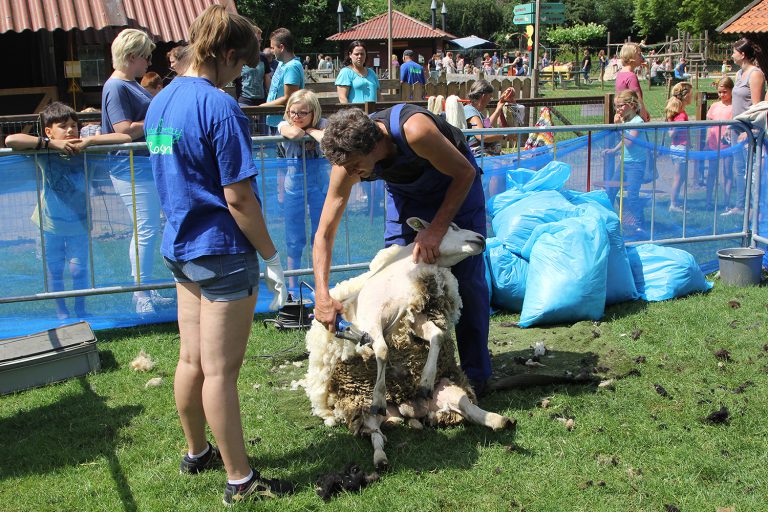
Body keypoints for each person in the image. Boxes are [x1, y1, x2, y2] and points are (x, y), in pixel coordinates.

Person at [144, 5, 292, 505]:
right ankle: (239, 479)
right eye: (241, 66)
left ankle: (196, 452)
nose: (240, 76)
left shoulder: (160, 101)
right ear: (228, 54)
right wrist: (273, 257)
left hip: (180, 247)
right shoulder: (219, 106)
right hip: (223, 251)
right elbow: (239, 197)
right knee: (221, 372)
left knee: (191, 359)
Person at [312, 104, 492, 394]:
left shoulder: (415, 130)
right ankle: (406, 376)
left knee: (467, 282)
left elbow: (464, 172)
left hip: (457, 185)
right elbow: (324, 233)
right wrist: (322, 294)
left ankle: (476, 375)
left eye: (355, 166)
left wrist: (436, 230)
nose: (352, 175)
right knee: (395, 285)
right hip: (406, 197)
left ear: (373, 146)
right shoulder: (347, 162)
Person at [6, 102, 131, 319]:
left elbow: (126, 139)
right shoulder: (45, 151)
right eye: (63, 126)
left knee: (78, 270)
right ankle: (61, 311)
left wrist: (89, 140)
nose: (71, 130)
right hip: (49, 224)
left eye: (74, 125)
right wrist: (50, 144)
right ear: (49, 131)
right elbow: (11, 140)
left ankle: (80, 309)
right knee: (55, 270)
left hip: (80, 224)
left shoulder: (86, 149)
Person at [102, 28, 170, 314]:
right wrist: (156, 118)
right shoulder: (116, 86)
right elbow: (123, 130)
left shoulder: (130, 84)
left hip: (144, 165)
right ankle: (140, 292)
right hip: (129, 166)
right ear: (131, 56)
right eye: (145, 57)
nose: (149, 62)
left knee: (150, 229)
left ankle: (148, 287)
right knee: (145, 230)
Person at [277, 90, 328, 288]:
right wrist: (305, 130)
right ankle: (292, 286)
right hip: (293, 190)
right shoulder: (284, 125)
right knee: (294, 238)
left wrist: (312, 131)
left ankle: (320, 283)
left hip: (319, 188)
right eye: (292, 112)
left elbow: (326, 139)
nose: (296, 117)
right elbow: (294, 132)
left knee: (320, 235)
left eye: (302, 113)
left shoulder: (323, 125)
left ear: (314, 113)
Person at [601, 90, 648, 236]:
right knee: (610, 190)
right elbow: (624, 140)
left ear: (631, 105)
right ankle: (608, 220)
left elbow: (628, 142)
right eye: (616, 106)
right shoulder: (627, 122)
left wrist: (619, 126)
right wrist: (614, 150)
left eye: (621, 106)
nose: (618, 109)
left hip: (636, 165)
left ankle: (640, 223)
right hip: (624, 163)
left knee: (632, 195)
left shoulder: (638, 122)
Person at [729, 38, 765, 215]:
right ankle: (739, 205)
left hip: (749, 132)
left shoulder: (755, 74)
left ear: (742, 54)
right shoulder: (738, 74)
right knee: (739, 170)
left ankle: (755, 208)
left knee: (752, 171)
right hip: (736, 129)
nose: (731, 55)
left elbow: (758, 107)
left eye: (734, 51)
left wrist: (751, 130)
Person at [262, 28, 305, 134]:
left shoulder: (292, 67)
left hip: (285, 123)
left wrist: (262, 107)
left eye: (273, 47)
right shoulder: (282, 64)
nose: (271, 51)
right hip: (275, 120)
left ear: (281, 47)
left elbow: (288, 97)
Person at [463, 80, 517, 157]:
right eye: (490, 97)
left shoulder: (475, 111)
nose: (490, 100)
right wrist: (505, 135)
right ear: (484, 96)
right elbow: (482, 136)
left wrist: (499, 106)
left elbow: (487, 125)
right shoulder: (470, 111)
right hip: (481, 158)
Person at [705, 77, 734, 212]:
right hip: (713, 144)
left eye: (725, 92)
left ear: (731, 91)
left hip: (728, 145)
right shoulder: (715, 106)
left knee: (727, 173)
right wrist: (706, 141)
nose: (722, 95)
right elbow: (708, 126)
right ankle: (708, 201)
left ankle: (726, 202)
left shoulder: (734, 107)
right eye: (720, 92)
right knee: (711, 173)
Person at [665, 82, 693, 212]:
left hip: (679, 148)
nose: (692, 97)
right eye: (691, 95)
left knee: (681, 177)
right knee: (678, 177)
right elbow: (672, 132)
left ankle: (675, 202)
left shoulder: (678, 112)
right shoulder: (681, 115)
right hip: (679, 149)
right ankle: (673, 204)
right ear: (685, 95)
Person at [615, 43, 650, 121]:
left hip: (623, 115)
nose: (641, 57)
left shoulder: (620, 74)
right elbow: (638, 100)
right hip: (633, 118)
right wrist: (644, 118)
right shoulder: (631, 76)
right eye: (639, 54)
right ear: (631, 57)